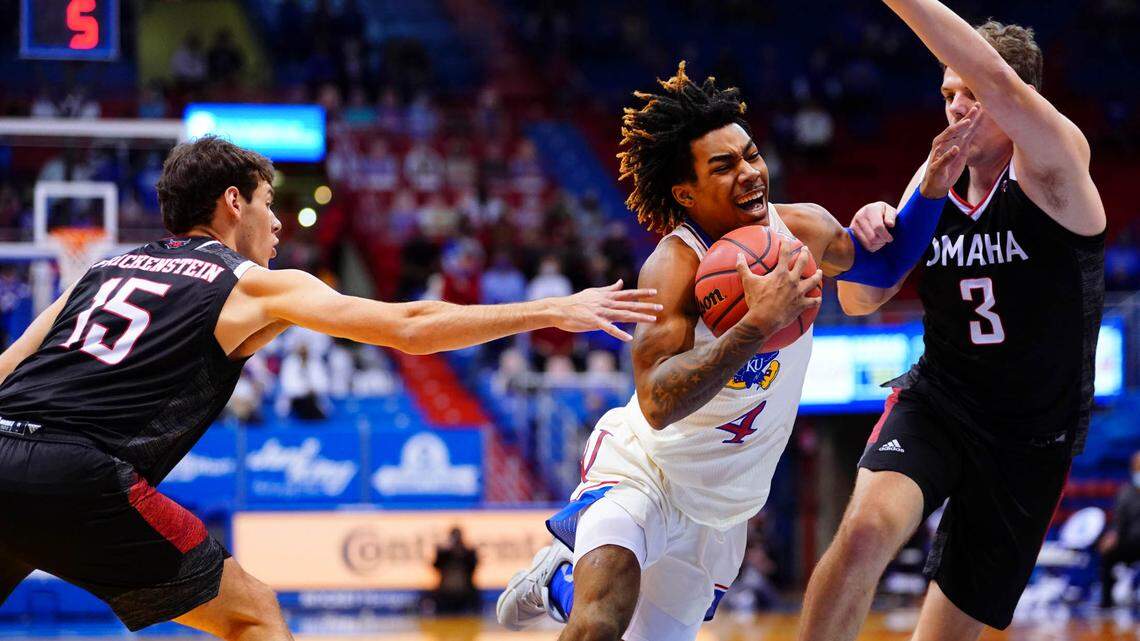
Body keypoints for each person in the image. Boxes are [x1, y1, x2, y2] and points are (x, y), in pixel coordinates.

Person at [0, 135, 662, 639]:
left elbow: (9, 367)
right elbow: (410, 325)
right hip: (81, 473)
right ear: (233, 202)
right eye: (268, 203)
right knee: (255, 612)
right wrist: (548, 310)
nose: (280, 222)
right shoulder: (248, 281)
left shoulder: (102, 269)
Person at [495, 62, 976, 641]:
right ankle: (579, 585)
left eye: (751, 155)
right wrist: (753, 326)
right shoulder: (674, 267)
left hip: (723, 510)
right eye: (724, 167)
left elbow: (887, 265)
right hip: (646, 472)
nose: (749, 173)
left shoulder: (804, 229)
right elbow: (655, 402)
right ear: (686, 193)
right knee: (598, 627)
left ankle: (558, 584)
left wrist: (932, 187)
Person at [799, 2, 1107, 639]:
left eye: (973, 93)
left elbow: (996, 79)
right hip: (941, 401)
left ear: (1018, 99)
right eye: (947, 94)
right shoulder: (932, 179)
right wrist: (873, 231)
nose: (958, 107)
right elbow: (861, 302)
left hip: (1030, 439)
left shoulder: (1055, 166)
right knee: (862, 534)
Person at [1099, 451, 1140, 608]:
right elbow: (1118, 522)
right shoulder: (1125, 492)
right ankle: (1106, 602)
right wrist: (1112, 536)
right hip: (1130, 542)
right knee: (1108, 552)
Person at [425, 527, 481, 615]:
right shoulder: (444, 553)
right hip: (445, 592)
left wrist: (462, 553)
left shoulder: (468, 552)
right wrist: (445, 551)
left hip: (465, 592)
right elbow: (435, 565)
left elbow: (474, 566)